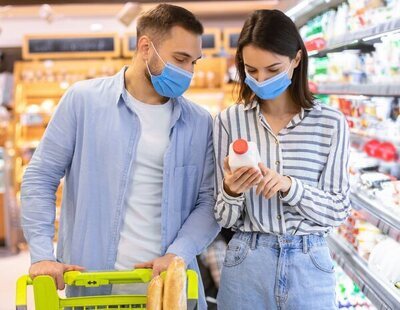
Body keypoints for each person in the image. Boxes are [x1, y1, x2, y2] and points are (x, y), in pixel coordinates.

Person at [21, 4, 219, 309]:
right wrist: (42, 255)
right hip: (93, 286)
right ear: (145, 47)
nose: (189, 72)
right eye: (180, 59)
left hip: (170, 291)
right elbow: (40, 177)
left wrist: (177, 253)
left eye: (194, 62)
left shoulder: (199, 121)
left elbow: (208, 201)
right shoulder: (83, 101)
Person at [214, 10, 350, 310]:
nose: (261, 80)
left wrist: (291, 187)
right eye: (252, 70)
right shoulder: (229, 121)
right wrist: (232, 191)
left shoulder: (331, 124)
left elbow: (338, 210)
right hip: (247, 260)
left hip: (309, 263)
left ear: (297, 60)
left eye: (273, 69)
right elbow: (223, 218)